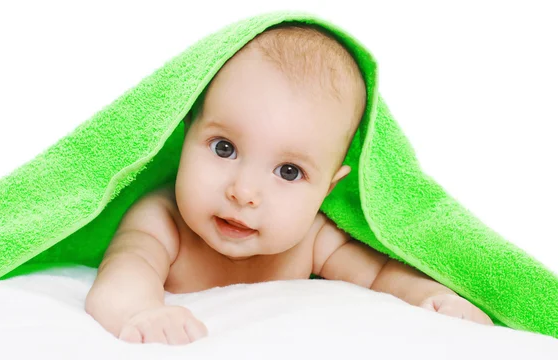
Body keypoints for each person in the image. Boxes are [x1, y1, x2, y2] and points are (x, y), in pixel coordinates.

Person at [85, 24, 493, 345]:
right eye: (224, 147)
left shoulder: (313, 238)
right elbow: (122, 277)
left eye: (289, 172)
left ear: (326, 191)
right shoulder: (160, 221)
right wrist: (140, 313)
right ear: (185, 134)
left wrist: (430, 298)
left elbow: (378, 276)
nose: (243, 192)